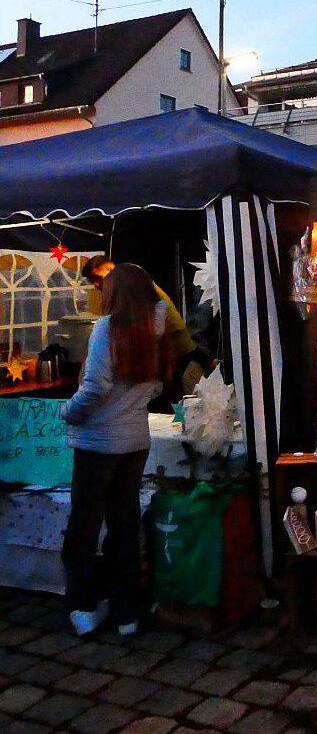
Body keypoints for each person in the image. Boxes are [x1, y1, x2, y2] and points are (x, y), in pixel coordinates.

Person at [61, 264, 173, 637]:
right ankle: (127, 612)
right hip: (134, 441)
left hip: (97, 443)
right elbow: (157, 386)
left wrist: (67, 412)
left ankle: (84, 607)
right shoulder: (157, 331)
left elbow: (93, 388)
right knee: (124, 525)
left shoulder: (106, 328)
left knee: (84, 526)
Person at [82, 255, 212, 399]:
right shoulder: (128, 280)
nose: (95, 285)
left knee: (161, 397)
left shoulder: (130, 281)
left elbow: (146, 319)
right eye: (92, 281)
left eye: (97, 278)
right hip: (170, 346)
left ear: (110, 269)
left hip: (173, 346)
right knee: (164, 395)